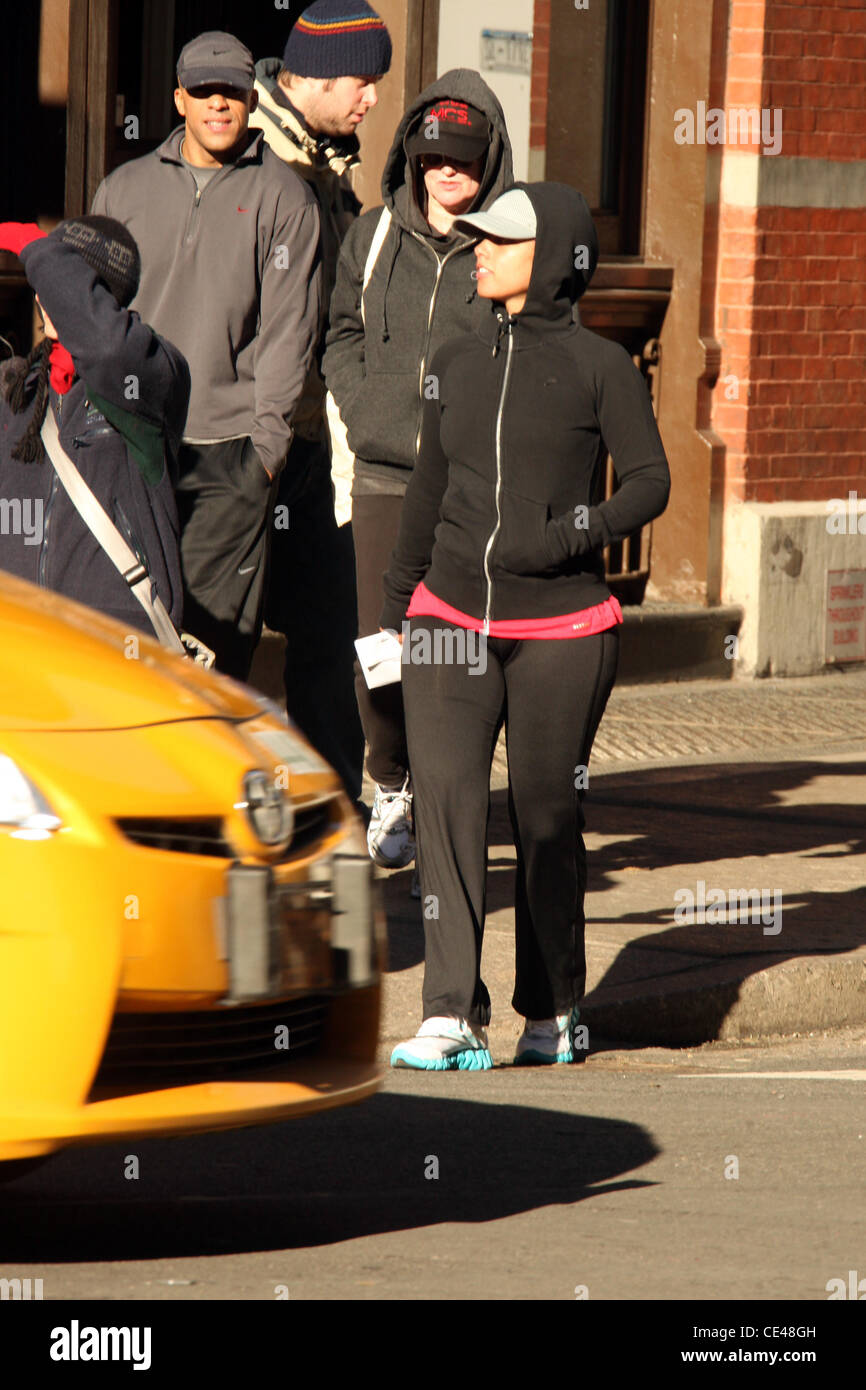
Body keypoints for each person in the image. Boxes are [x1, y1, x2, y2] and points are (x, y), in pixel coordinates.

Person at [381, 184, 671, 1070]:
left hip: (565, 625)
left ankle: (552, 1007)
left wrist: (568, 535)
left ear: (554, 258)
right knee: (448, 808)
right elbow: (429, 489)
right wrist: (397, 605)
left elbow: (649, 484)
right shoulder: (457, 360)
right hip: (448, 617)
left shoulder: (600, 366)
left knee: (546, 815)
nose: (481, 250)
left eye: (503, 241)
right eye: (478, 239)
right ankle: (449, 1013)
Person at [323, 70, 514, 870]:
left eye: (464, 161)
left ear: (489, 164)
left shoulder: (505, 251)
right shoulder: (372, 237)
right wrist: (367, 413)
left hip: (466, 487)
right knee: (382, 643)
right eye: (434, 157)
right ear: (412, 158)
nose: (447, 172)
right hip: (384, 479)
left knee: (453, 648)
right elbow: (339, 335)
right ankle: (390, 778)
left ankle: (445, 792)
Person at [91, 31, 322, 681]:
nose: (218, 103)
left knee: (215, 651)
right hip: (130, 444)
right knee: (127, 636)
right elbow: (92, 314)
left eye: (231, 91)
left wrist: (265, 458)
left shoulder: (286, 199)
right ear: (179, 99)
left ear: (251, 99)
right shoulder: (124, 190)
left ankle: (207, 780)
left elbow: (288, 334)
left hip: (231, 453)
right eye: (204, 90)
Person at [251, 0, 392, 801]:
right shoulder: (250, 158)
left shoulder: (331, 165)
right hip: (245, 450)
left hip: (313, 449)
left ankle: (331, 820)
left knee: (333, 635)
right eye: (361, 80)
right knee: (221, 645)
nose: (372, 97)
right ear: (312, 74)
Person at [0, 216, 187, 632]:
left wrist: (30, 243)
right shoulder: (15, 388)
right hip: (21, 635)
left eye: (60, 282)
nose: (46, 296)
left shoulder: (150, 378)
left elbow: (106, 347)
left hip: (114, 639)